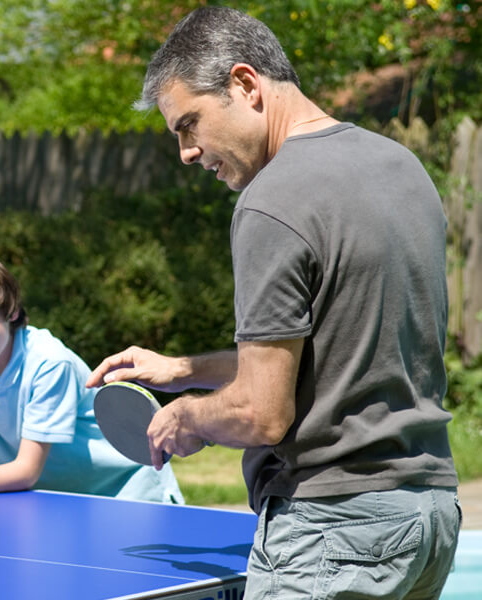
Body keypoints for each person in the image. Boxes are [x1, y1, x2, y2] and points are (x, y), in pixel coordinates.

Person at [86, 6, 460, 599]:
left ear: (245, 84)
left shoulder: (271, 200)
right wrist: (184, 371)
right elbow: (338, 350)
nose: (186, 152)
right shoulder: (402, 168)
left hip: (333, 528)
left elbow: (262, 414)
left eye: (190, 124)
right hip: (428, 519)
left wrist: (186, 416)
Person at [0, 248, 183, 504]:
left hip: (127, 495)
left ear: (12, 312)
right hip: (54, 501)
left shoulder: (50, 363)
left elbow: (26, 471)